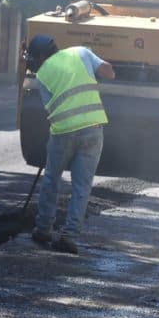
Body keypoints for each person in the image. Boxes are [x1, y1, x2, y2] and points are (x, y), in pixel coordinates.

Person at [25, 34, 115, 254]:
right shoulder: (81, 52)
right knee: (81, 187)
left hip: (63, 133)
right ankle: (69, 236)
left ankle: (44, 228)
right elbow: (109, 72)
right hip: (94, 128)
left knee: (51, 180)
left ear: (41, 55)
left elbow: (51, 108)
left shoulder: (42, 75)